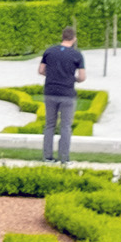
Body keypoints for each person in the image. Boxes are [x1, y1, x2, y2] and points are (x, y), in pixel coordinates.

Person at [36, 25, 86, 163]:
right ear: (74, 38)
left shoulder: (50, 51)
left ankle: (47, 157)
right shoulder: (77, 55)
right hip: (67, 93)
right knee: (65, 126)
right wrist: (72, 78)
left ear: (62, 37)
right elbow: (82, 77)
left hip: (50, 91)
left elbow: (41, 70)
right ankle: (64, 158)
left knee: (49, 125)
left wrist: (53, 75)